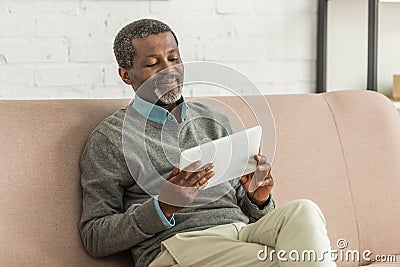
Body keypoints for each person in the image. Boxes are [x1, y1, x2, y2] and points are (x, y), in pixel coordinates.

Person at [79, 18, 337, 267]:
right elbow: (95, 237)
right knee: (289, 260)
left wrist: (258, 199)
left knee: (304, 210)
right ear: (126, 75)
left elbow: (248, 209)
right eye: (153, 63)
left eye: (174, 58)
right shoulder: (110, 138)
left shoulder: (214, 119)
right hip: (179, 245)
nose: (169, 70)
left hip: (240, 233)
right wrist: (163, 206)